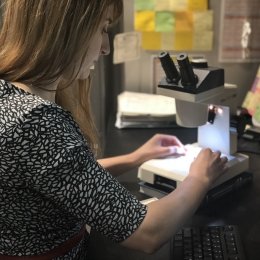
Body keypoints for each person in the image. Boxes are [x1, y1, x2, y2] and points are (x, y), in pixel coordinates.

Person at [0, 1, 228, 259]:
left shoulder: (11, 97)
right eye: (102, 29)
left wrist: (136, 157)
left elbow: (64, 178)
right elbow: (147, 233)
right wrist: (199, 178)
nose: (106, 48)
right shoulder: (36, 121)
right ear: (69, 29)